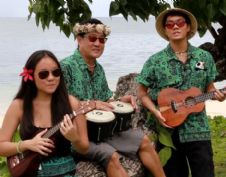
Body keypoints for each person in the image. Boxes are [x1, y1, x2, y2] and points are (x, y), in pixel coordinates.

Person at [60, 18, 166, 177]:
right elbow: (60, 106)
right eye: (92, 38)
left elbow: (105, 101)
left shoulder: (99, 69)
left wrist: (119, 101)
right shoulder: (65, 66)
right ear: (79, 38)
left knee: (143, 140)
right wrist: (93, 104)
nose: (98, 43)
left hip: (103, 131)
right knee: (112, 156)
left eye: (102, 40)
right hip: (77, 137)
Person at [136, 8, 226, 177]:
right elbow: (141, 91)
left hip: (198, 131)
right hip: (168, 133)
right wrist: (155, 112)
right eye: (170, 24)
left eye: (180, 23)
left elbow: (210, 88)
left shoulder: (204, 57)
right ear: (165, 30)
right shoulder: (155, 61)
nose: (175, 27)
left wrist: (218, 96)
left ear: (188, 28)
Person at [0, 50, 89, 176]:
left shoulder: (72, 103)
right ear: (31, 77)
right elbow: (1, 146)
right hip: (29, 171)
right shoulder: (19, 106)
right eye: (43, 74)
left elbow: (84, 148)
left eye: (56, 72)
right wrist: (26, 145)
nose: (51, 78)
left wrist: (74, 138)